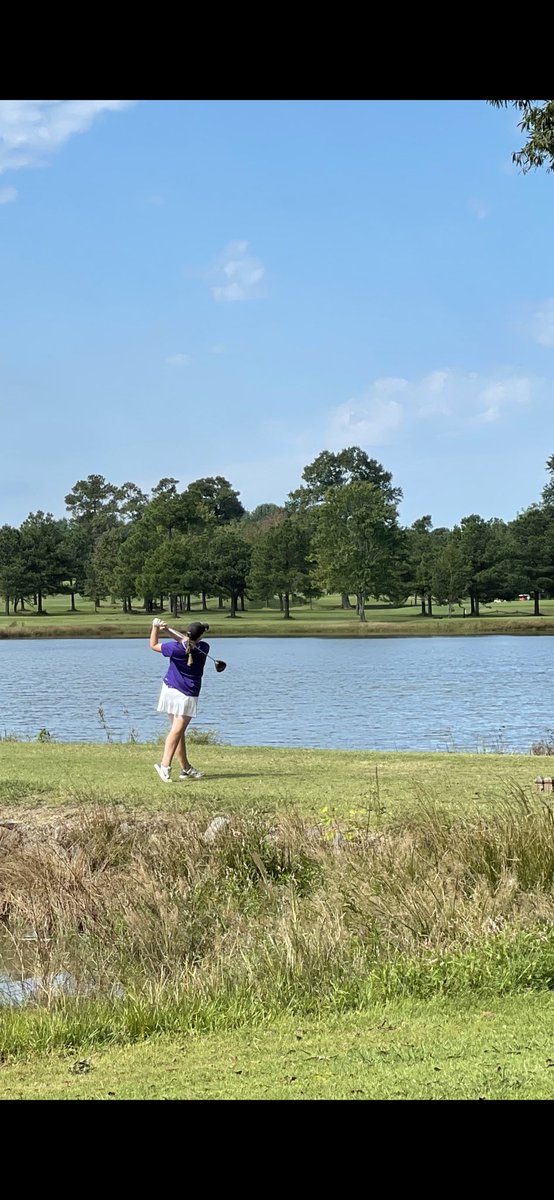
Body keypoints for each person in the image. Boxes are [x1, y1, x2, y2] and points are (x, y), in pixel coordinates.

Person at [150, 619, 210, 782]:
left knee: (177, 731)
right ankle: (165, 766)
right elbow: (185, 641)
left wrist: (156, 628)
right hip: (187, 694)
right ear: (201, 636)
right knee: (177, 730)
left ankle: (185, 768)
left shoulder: (175, 648)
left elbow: (154, 645)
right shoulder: (204, 648)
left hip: (169, 690)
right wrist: (168, 630)